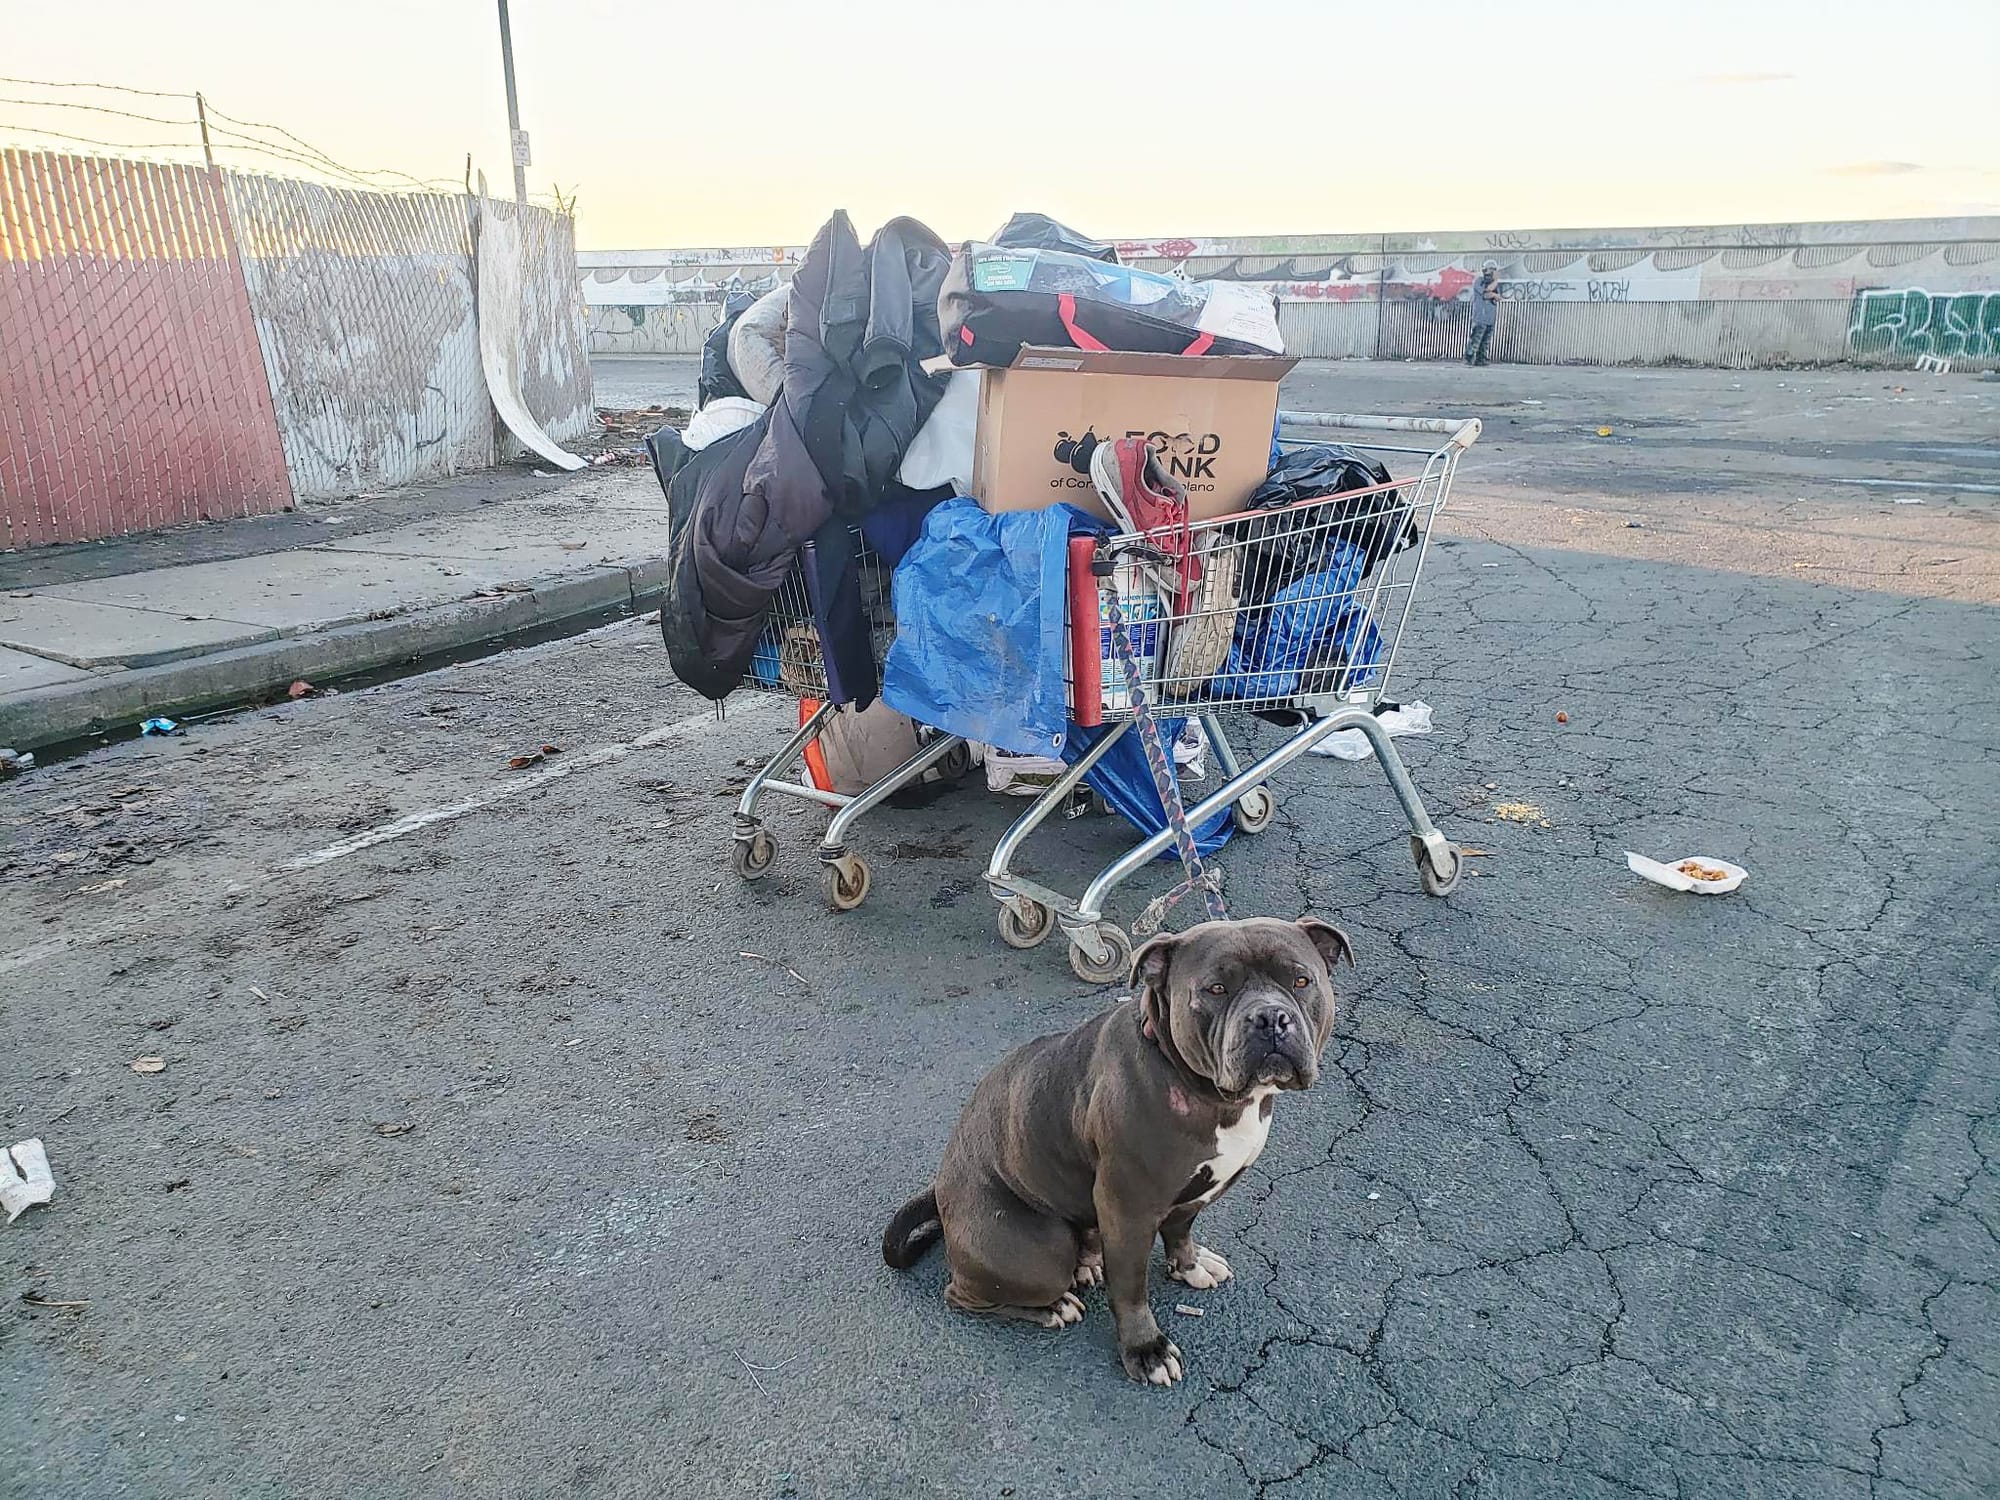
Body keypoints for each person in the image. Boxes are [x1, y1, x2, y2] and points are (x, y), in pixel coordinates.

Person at [1464, 260, 1500, 366]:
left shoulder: (1494, 284)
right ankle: (1469, 357)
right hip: (1480, 316)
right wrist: (1496, 284)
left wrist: (1494, 293)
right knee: (1476, 339)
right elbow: (1486, 293)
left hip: (1490, 317)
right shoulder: (1479, 281)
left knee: (1486, 341)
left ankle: (1481, 359)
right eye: (1491, 270)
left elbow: (1498, 297)